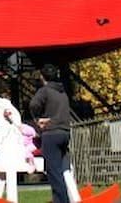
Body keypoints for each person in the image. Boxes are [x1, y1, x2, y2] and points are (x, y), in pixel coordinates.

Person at [29, 63, 71, 203]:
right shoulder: (62, 92)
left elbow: (33, 104)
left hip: (51, 133)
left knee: (54, 173)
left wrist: (37, 118)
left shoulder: (45, 91)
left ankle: (62, 201)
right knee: (62, 170)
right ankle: (60, 199)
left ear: (42, 76)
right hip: (65, 132)